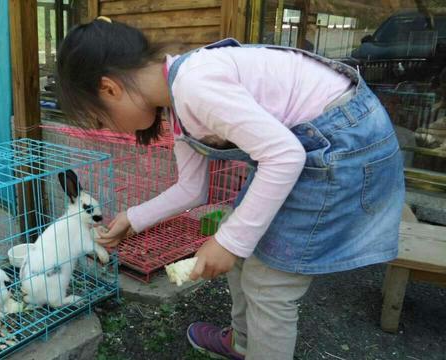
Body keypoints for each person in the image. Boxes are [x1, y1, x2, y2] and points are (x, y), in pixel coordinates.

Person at [55, 17, 405, 360]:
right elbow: (192, 188)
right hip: (306, 147)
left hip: (342, 149)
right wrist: (132, 218)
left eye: (102, 118)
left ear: (109, 89)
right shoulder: (177, 102)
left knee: (269, 286)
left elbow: (284, 156)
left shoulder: (194, 85)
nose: (112, 128)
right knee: (238, 242)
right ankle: (243, 344)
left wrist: (229, 242)